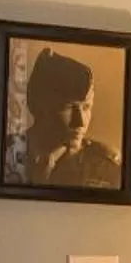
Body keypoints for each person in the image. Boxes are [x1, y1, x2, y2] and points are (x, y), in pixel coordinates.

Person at [17, 48, 123, 189]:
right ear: (41, 106)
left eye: (86, 107)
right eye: (68, 107)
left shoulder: (106, 166)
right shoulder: (9, 155)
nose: (80, 122)